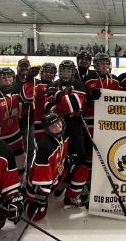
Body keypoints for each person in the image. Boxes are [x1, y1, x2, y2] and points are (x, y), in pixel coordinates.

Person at [46, 60, 89, 208]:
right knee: (60, 161)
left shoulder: (78, 84)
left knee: (79, 161)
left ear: (73, 72)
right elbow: (49, 108)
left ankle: (73, 194)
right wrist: (64, 101)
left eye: (68, 71)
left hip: (75, 128)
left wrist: (58, 97)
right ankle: (61, 183)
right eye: (63, 70)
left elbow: (74, 106)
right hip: (57, 130)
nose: (65, 73)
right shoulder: (54, 84)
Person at [26, 113, 70, 219]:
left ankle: (55, 187)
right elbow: (41, 172)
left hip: (56, 173)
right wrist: (42, 192)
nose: (58, 127)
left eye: (58, 123)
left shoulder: (64, 135)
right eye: (53, 126)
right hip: (40, 182)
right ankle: (30, 199)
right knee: (37, 216)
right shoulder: (45, 146)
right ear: (47, 129)